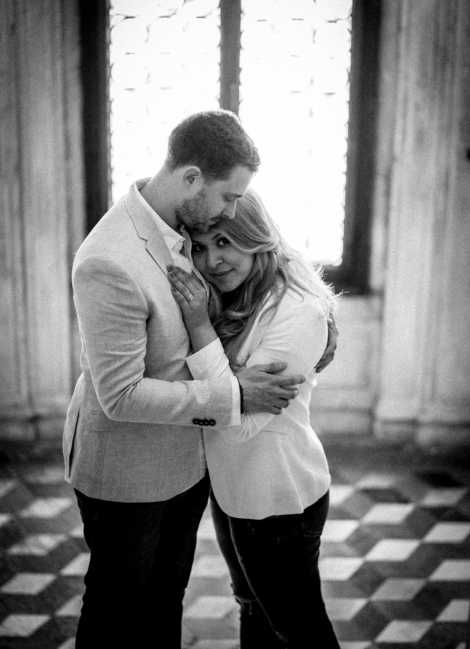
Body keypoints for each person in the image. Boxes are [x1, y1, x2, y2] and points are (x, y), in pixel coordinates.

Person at [62, 110, 338, 648]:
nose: (232, 210)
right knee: (117, 614)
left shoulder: (183, 229)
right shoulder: (108, 258)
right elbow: (119, 395)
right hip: (129, 470)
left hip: (192, 470)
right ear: (191, 179)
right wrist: (234, 395)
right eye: (229, 197)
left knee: (166, 604)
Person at [168, 188, 341, 648]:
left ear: (254, 236)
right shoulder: (237, 291)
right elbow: (229, 400)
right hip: (232, 492)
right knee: (252, 610)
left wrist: (199, 326)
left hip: (278, 501)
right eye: (199, 247)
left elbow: (241, 425)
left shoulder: (298, 311)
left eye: (225, 241)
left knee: (299, 631)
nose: (212, 261)